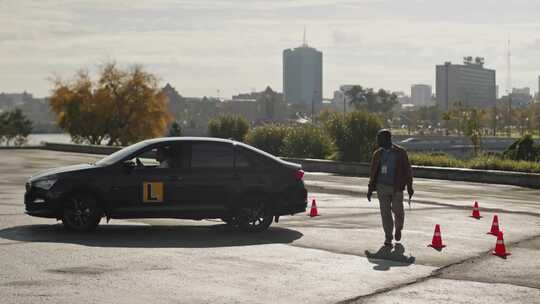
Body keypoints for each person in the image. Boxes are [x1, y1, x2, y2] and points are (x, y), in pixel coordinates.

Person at [367, 129, 414, 246]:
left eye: (380, 138)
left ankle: (398, 229)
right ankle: (388, 236)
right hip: (381, 187)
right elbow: (372, 172)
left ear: (388, 139)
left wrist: (410, 186)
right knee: (385, 213)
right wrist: (369, 189)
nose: (377, 141)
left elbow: (408, 170)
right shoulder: (377, 154)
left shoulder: (400, 152)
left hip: (396, 187)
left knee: (398, 211)